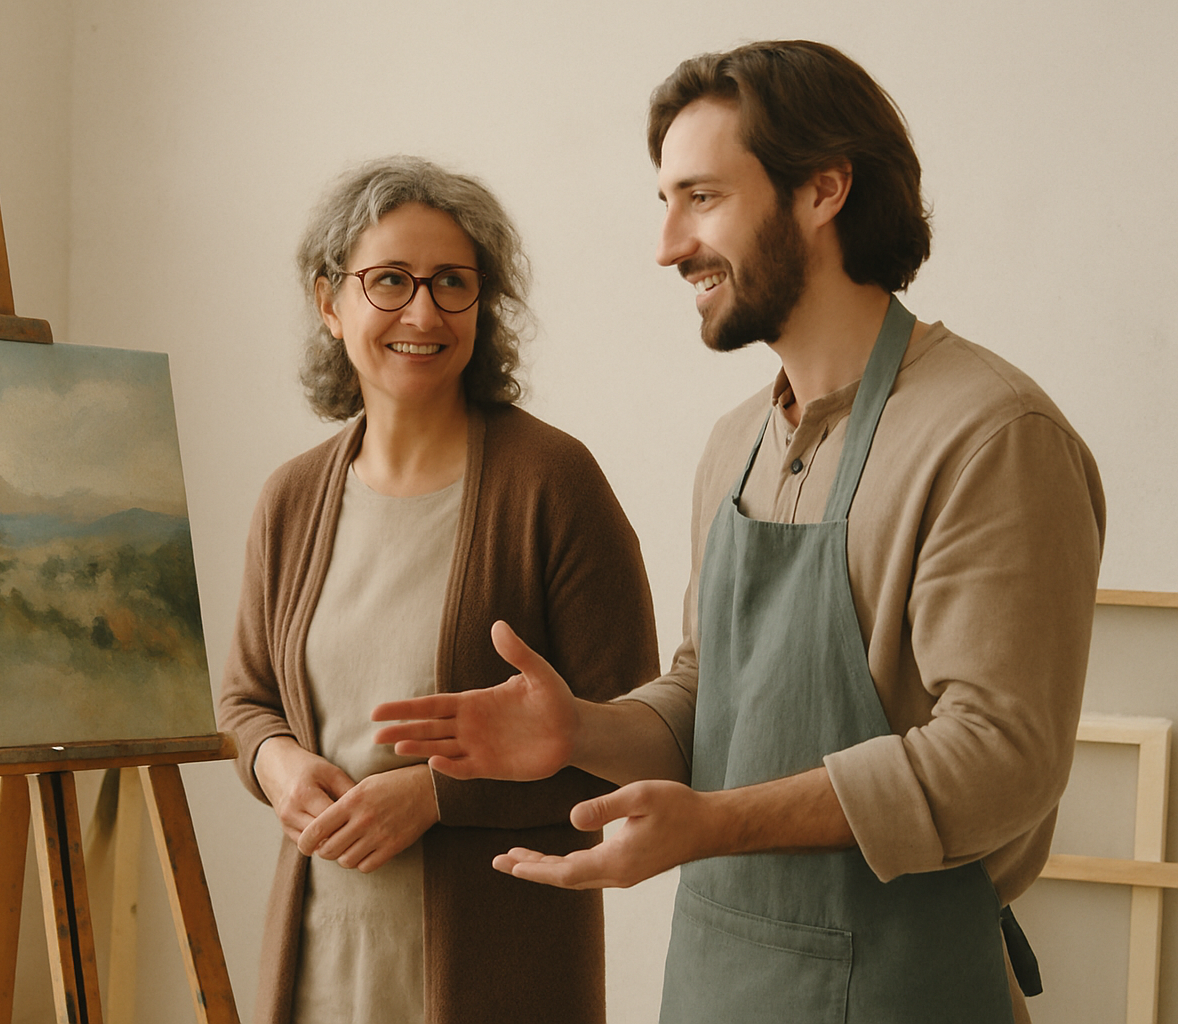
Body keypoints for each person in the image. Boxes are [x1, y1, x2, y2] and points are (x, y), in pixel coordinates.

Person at [374, 41, 1105, 1024]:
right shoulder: (739, 445)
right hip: (719, 985)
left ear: (823, 190)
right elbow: (704, 697)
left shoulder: (989, 437)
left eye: (703, 198)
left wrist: (715, 823)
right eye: (665, 201)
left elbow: (997, 761)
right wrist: (580, 731)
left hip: (903, 992)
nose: (670, 244)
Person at [218, 155, 659, 1024]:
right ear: (328, 302)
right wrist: (275, 762)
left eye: (452, 283)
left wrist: (435, 794)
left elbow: (641, 737)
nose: (422, 312)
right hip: (324, 965)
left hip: (501, 972)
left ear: (482, 305)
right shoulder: (292, 498)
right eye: (389, 281)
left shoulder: (552, 483)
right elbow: (245, 700)